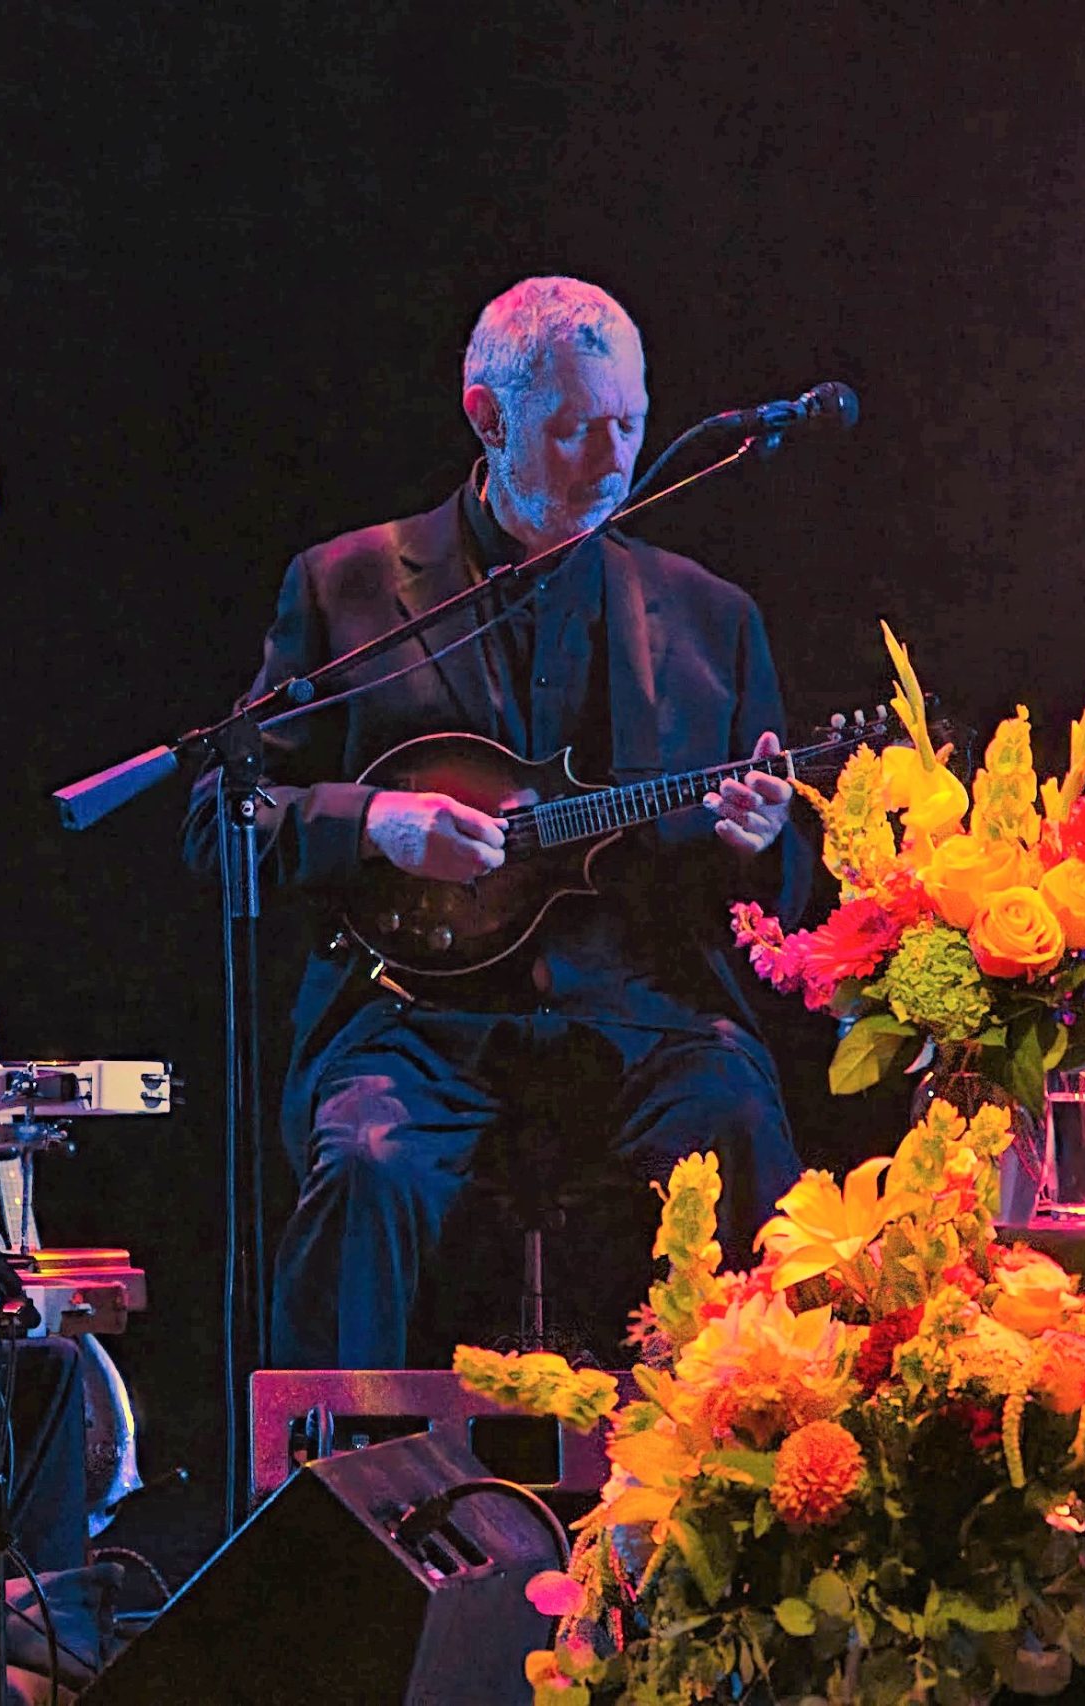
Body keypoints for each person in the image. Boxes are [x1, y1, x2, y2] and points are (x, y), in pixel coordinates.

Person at [183, 276, 814, 1370]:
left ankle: (747, 1494)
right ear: (487, 417)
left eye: (629, 421)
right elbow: (223, 813)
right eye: (574, 429)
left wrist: (761, 840)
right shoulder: (349, 587)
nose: (612, 458)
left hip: (641, 1016)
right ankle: (331, 1504)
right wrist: (373, 820)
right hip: (412, 1021)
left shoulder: (711, 617)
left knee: (739, 1128)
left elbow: (786, 890)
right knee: (365, 1161)